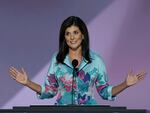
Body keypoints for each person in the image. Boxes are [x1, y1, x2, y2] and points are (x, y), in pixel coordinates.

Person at [9, 16, 145, 105]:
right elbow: (50, 90)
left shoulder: (96, 61)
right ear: (64, 37)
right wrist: (27, 82)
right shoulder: (57, 59)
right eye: (67, 33)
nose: (71, 37)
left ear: (83, 35)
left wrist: (125, 84)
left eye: (75, 32)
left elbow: (104, 91)